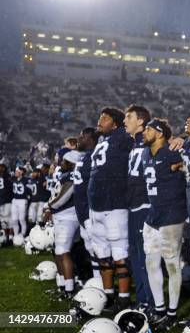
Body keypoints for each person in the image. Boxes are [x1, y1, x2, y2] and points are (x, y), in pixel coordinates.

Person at [142, 118, 187, 331]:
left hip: (171, 215)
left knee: (171, 265)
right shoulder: (146, 154)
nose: (144, 132)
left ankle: (172, 313)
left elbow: (188, 163)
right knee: (151, 262)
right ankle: (159, 309)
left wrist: (182, 141)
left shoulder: (172, 152)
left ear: (159, 133)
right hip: (153, 216)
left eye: (148, 129)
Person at [88, 107, 133, 312]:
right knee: (102, 255)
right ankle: (108, 296)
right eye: (100, 116)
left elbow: (137, 134)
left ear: (116, 124)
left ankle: (123, 300)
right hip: (96, 205)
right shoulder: (102, 140)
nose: (100, 120)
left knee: (119, 253)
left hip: (115, 204)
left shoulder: (122, 136)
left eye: (104, 118)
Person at [124, 104, 155, 312]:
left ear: (141, 121)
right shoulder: (135, 144)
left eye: (129, 117)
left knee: (146, 258)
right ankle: (143, 299)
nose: (125, 121)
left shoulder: (150, 142)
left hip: (145, 205)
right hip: (133, 206)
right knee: (135, 255)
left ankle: (151, 303)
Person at [43, 150, 81, 299]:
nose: (61, 164)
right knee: (58, 251)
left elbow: (63, 197)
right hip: (62, 215)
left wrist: (49, 207)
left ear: (71, 163)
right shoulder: (65, 175)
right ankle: (63, 286)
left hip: (68, 216)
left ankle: (69, 289)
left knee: (63, 251)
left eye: (65, 161)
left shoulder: (71, 175)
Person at [72, 127, 102, 283]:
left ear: (90, 139)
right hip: (82, 211)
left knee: (99, 251)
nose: (79, 138)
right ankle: (98, 283)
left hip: (90, 211)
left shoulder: (94, 157)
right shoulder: (84, 157)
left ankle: (103, 285)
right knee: (91, 250)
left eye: (82, 136)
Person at [11, 166, 30, 239]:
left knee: (21, 219)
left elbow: (30, 189)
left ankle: (23, 235)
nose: (15, 172)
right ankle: (16, 236)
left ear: (21, 172)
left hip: (22, 200)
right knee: (14, 219)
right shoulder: (14, 179)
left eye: (17, 171)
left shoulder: (26, 180)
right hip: (15, 200)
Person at [0, 163, 13, 244]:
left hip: (7, 200)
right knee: (3, 220)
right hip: (2, 201)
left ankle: (10, 237)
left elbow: (9, 189)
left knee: (9, 220)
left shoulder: (6, 177)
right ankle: (5, 237)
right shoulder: (7, 177)